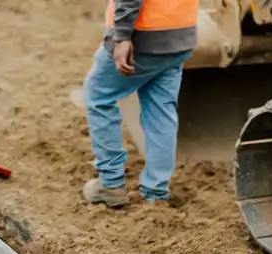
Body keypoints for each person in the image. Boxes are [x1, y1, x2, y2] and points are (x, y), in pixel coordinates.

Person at [81, 0, 198, 208]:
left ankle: (111, 184)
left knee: (98, 97)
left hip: (142, 35)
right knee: (161, 113)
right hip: (180, 33)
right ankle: (156, 192)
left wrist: (122, 36)